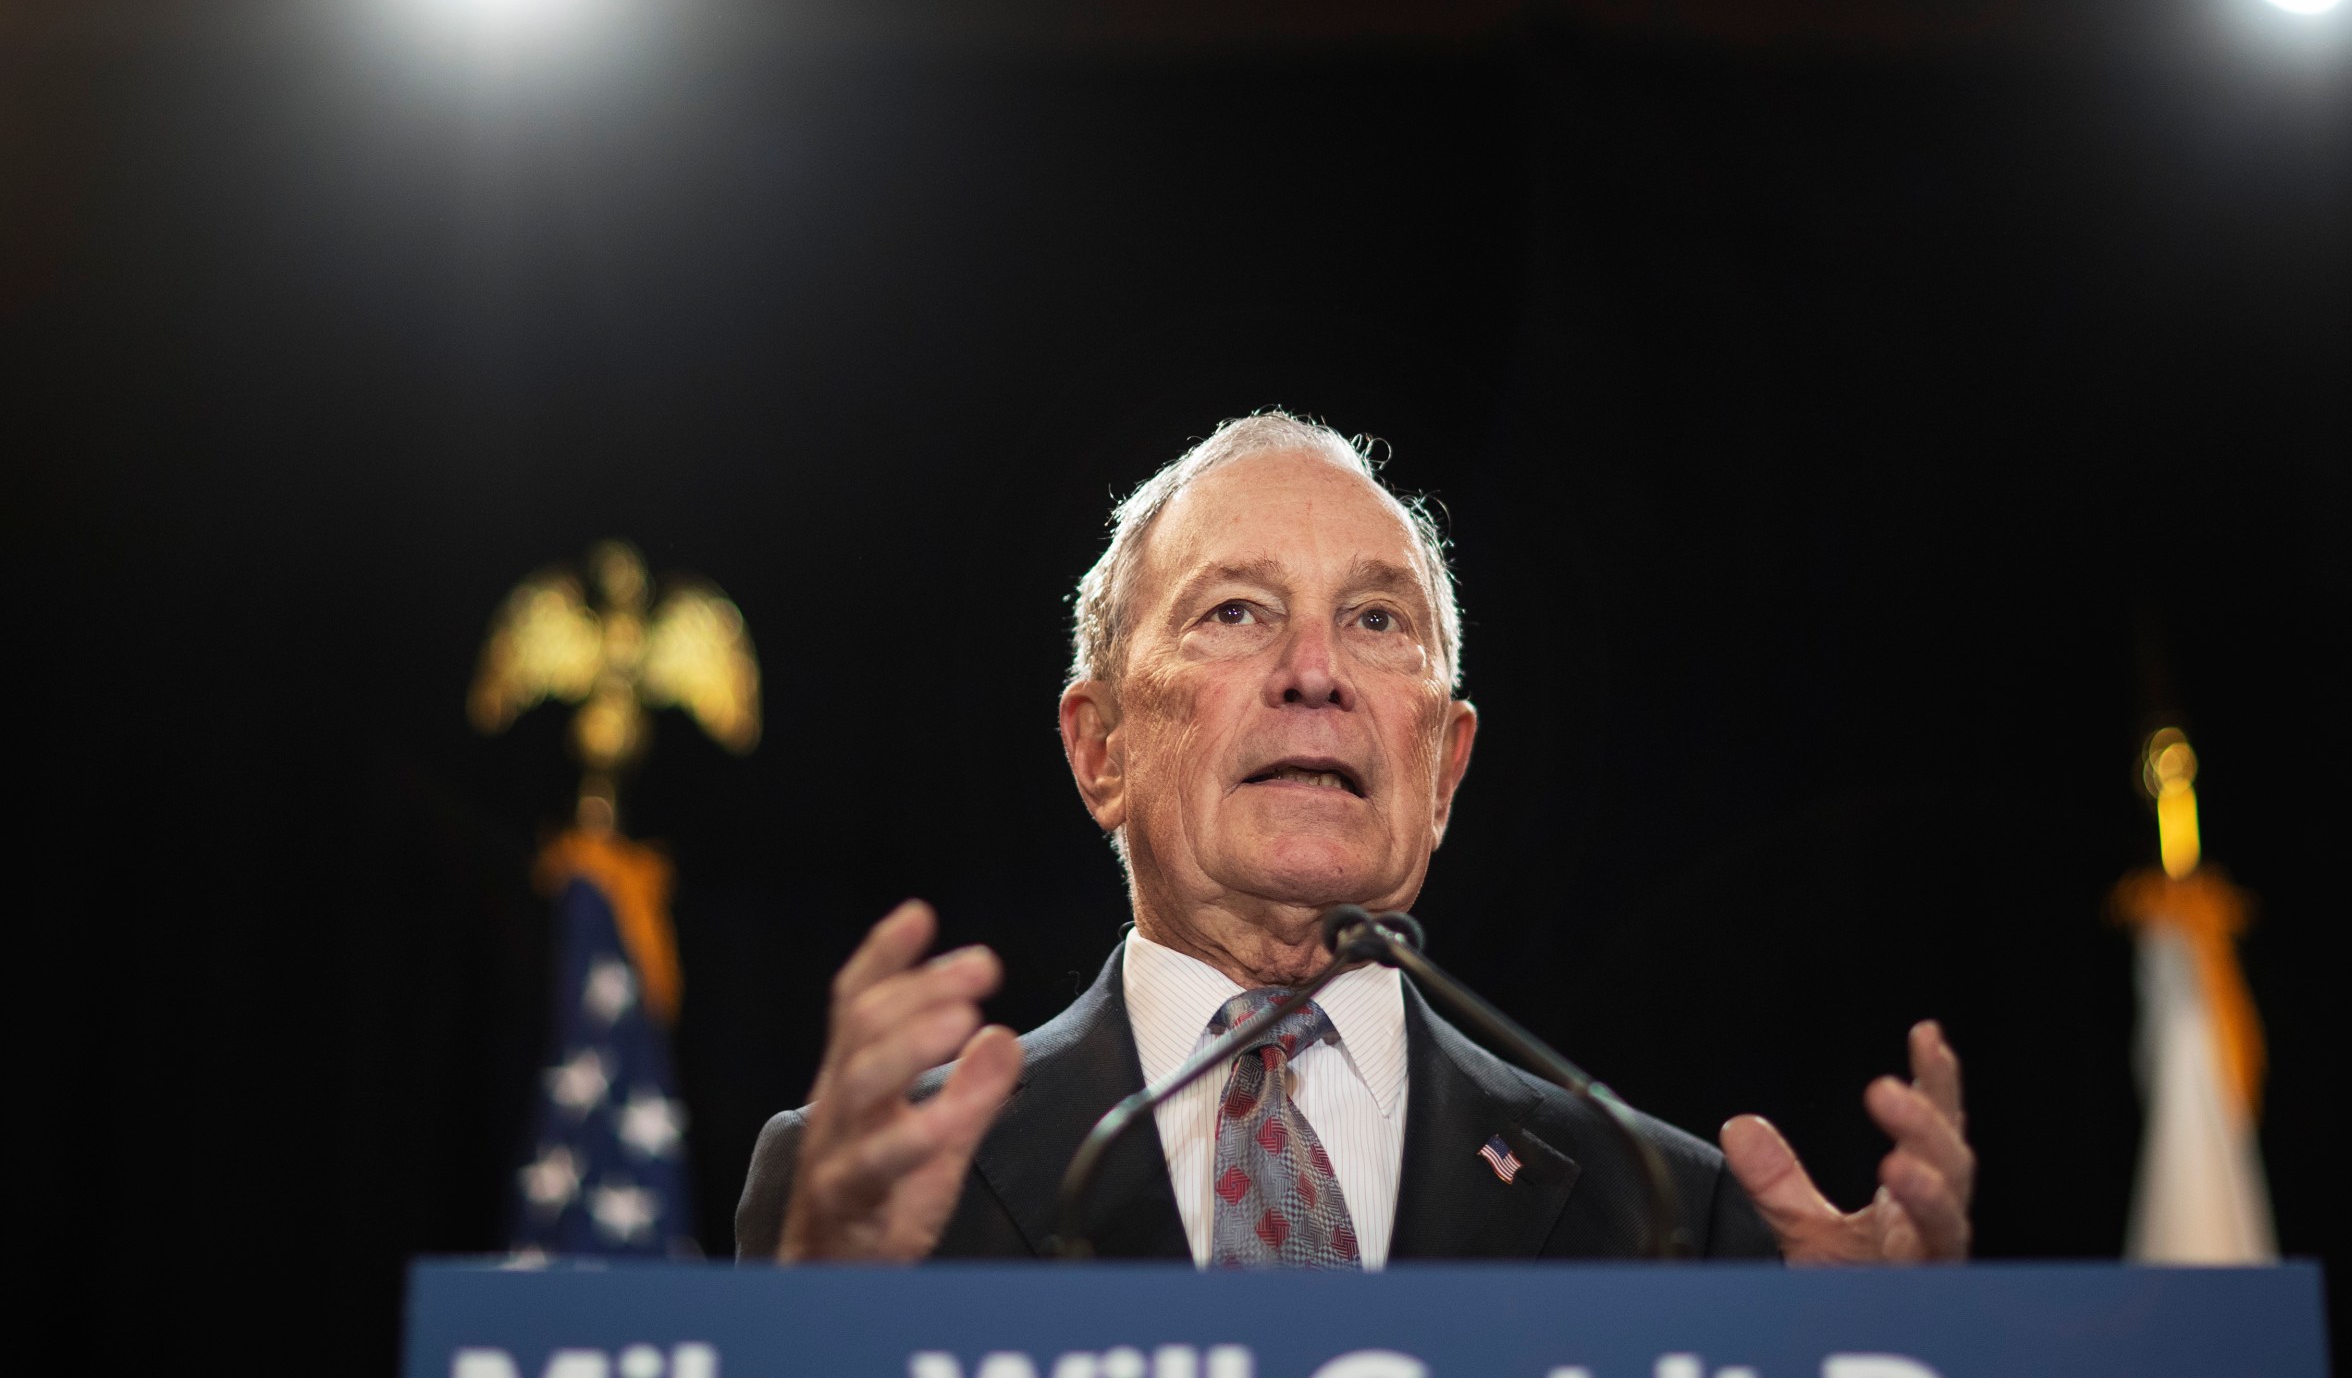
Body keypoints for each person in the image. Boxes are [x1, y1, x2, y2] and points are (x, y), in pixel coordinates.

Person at [735, 412, 1974, 1266]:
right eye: (1236, 611)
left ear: (1443, 766)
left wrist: (1881, 1370)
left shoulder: (1663, 1209)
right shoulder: (871, 1191)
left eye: (1377, 620)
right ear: (1099, 749)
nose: (1315, 672)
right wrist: (810, 1341)